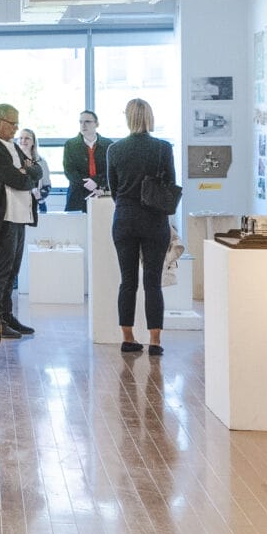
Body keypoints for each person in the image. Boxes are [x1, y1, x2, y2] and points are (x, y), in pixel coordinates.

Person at [106, 97, 178, 356]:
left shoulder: (114, 150)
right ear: (150, 117)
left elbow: (113, 189)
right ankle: (155, 341)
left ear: (128, 118)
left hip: (124, 218)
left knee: (127, 281)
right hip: (154, 219)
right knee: (152, 282)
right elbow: (170, 184)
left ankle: (128, 337)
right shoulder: (162, 148)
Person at [0, 104, 40, 339]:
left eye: (17, 123)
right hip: (4, 216)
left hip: (20, 215)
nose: (16, 128)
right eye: (11, 123)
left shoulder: (14, 145)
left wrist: (28, 173)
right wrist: (25, 174)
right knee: (0, 271)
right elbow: (16, 179)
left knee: (13, 270)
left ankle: (7, 315)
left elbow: (36, 170)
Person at [62, 110, 106, 211]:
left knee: (102, 225)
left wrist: (96, 182)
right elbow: (69, 170)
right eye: (81, 122)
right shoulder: (70, 145)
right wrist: (88, 184)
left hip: (101, 193)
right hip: (77, 195)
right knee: (74, 226)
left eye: (87, 122)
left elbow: (110, 170)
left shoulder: (108, 145)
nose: (83, 125)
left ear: (97, 124)